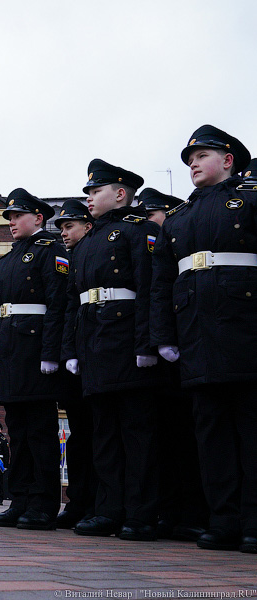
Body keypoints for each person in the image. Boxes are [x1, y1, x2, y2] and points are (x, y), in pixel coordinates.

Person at [151, 125, 257, 553]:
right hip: (195, 334)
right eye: (189, 159)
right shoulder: (179, 219)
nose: (193, 163)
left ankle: (253, 522)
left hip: (246, 330)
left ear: (228, 160)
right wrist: (163, 336)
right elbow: (161, 284)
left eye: (202, 156)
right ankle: (223, 520)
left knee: (250, 430)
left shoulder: (249, 199)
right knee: (210, 433)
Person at [64, 159, 165, 541]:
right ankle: (108, 510)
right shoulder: (87, 242)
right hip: (95, 344)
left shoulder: (140, 231)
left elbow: (150, 290)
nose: (88, 198)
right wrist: (74, 349)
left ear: (120, 194)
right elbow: (76, 300)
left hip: (127, 342)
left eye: (95, 191)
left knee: (137, 433)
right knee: (104, 433)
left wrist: (147, 343)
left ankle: (140, 514)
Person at [0, 188, 70, 531]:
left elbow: (57, 304)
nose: (12, 222)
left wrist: (51, 353)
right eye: (10, 217)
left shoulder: (51, 251)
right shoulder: (5, 262)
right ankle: (19, 500)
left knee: (40, 432)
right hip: (9, 353)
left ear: (39, 218)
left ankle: (43, 504)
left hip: (35, 353)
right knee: (17, 431)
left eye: (18, 216)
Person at [139, 188, 208, 542]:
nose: (148, 225)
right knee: (164, 439)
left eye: (152, 217)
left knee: (188, 438)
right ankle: (171, 511)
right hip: (164, 355)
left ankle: (193, 512)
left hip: (188, 352)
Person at [53, 199, 97, 529]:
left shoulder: (92, 253)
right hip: (71, 355)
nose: (65, 233)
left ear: (87, 225)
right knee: (79, 435)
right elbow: (64, 310)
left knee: (98, 433)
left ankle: (96, 502)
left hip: (95, 352)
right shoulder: (66, 259)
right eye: (62, 227)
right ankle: (78, 501)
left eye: (70, 226)